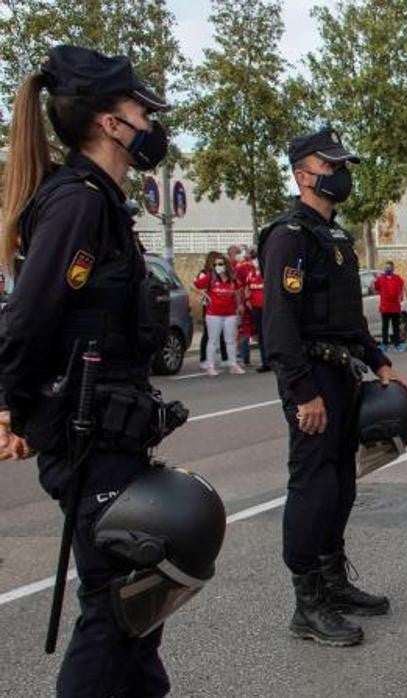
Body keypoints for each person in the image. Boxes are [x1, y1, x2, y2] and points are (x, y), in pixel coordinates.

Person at [0, 45, 176, 694]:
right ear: (109, 122)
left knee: (138, 604)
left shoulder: (101, 202)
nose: (150, 124)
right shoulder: (77, 202)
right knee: (111, 608)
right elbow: (27, 320)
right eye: (140, 111)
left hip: (113, 435)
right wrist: (15, 410)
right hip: (92, 443)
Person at [259, 126, 407, 648]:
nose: (340, 174)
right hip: (312, 378)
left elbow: (349, 320)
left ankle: (332, 582)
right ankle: (306, 603)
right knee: (313, 487)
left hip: (345, 373)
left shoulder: (337, 238)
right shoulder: (289, 236)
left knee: (342, 485)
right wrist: (303, 393)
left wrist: (380, 361)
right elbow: (279, 326)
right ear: (303, 174)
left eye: (342, 164)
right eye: (331, 166)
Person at [193, 250, 245, 376]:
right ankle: (210, 366)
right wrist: (204, 294)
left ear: (226, 265)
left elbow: (238, 291)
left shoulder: (232, 279)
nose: (218, 267)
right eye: (216, 265)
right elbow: (194, 285)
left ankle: (233, 364)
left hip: (230, 314)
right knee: (213, 340)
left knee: (230, 340)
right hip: (214, 314)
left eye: (221, 264)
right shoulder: (210, 278)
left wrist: (239, 305)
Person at [245, 254, 270, 372]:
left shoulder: (267, 274)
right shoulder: (251, 274)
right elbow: (247, 288)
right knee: (261, 335)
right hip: (255, 307)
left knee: (268, 334)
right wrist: (247, 300)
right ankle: (265, 361)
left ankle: (272, 360)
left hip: (267, 307)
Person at [374, 260, 406, 351]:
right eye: (386, 267)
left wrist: (401, 297)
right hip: (385, 307)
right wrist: (375, 282)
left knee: (395, 327)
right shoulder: (381, 278)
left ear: (393, 268)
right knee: (385, 327)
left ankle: (397, 344)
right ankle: (385, 344)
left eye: (389, 267)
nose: (387, 269)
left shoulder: (397, 278)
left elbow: (401, 289)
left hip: (395, 307)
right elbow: (376, 288)